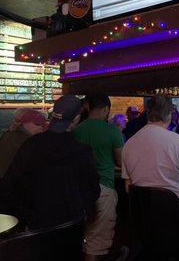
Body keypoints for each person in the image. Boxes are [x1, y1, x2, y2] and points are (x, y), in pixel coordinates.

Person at [121, 95, 179, 261]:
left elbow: (129, 188)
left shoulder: (129, 145)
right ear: (171, 114)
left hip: (147, 223)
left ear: (148, 114)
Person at [0, 95, 100, 230]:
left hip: (36, 224)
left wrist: (26, 214)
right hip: (69, 224)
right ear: (75, 119)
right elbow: (91, 191)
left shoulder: (31, 145)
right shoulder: (81, 151)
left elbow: (11, 183)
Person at [72, 93, 124, 261]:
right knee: (97, 239)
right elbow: (121, 161)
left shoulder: (77, 130)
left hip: (79, 188)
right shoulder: (112, 131)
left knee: (83, 234)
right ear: (106, 109)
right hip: (103, 187)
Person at [0, 109, 47, 178]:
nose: (40, 128)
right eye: (37, 124)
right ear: (25, 123)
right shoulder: (23, 139)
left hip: (3, 178)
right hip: (11, 181)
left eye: (43, 125)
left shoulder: (11, 133)